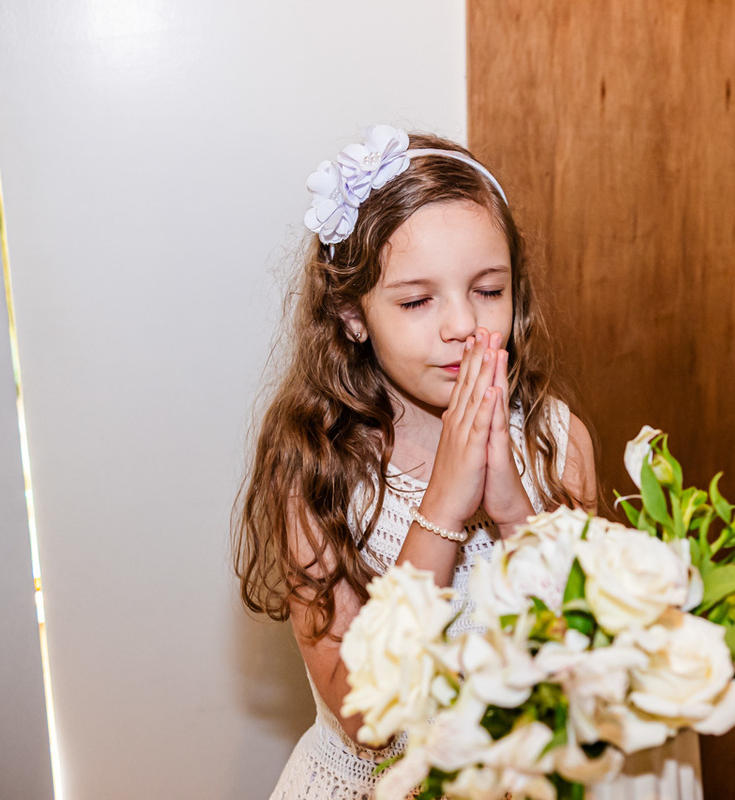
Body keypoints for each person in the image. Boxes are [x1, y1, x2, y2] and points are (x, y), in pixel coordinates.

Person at [234, 125, 597, 800]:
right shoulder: (315, 468)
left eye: (488, 289)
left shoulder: (557, 440)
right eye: (416, 300)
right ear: (351, 314)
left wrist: (515, 510)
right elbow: (365, 718)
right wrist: (445, 508)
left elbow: (594, 652)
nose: (462, 324)